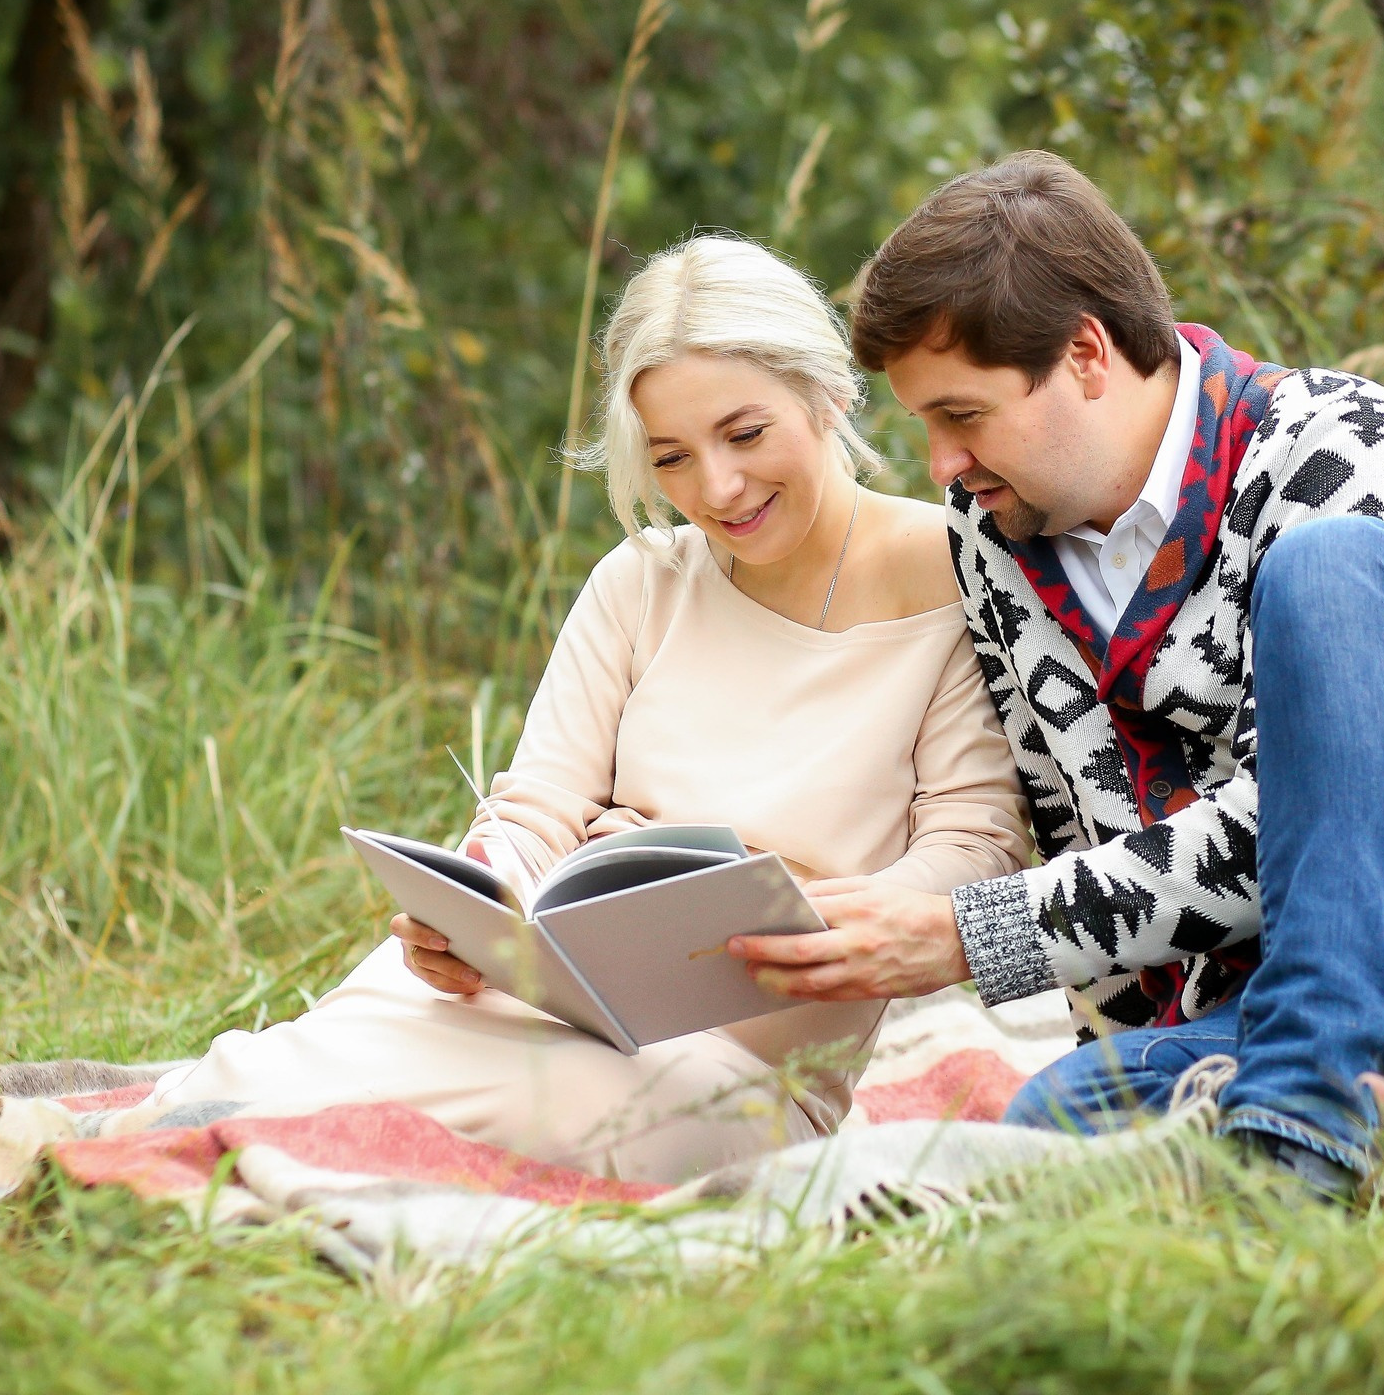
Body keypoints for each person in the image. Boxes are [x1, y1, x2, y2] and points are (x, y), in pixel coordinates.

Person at [728, 151, 1384, 1195]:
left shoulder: (1338, 444)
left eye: (962, 415)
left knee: (1333, 569)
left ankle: (1303, 1124)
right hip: (1313, 1007)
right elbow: (1074, 826)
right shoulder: (991, 537)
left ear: (1083, 354)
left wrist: (977, 938)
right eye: (925, 424)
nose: (940, 463)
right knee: (1056, 1122)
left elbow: (1329, 816)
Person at [109, 235, 1030, 1184]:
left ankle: (234, 1144)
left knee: (456, 1098)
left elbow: (976, 846)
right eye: (672, 457)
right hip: (555, 996)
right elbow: (534, 810)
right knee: (345, 1033)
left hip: (745, 1067)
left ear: (830, 394)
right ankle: (210, 1127)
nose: (717, 488)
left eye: (746, 434)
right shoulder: (643, 580)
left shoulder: (960, 578)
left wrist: (824, 917)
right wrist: (473, 906)